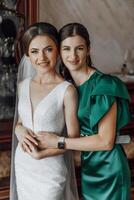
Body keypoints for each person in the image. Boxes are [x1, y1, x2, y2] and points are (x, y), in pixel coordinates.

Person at [37, 23, 131, 200]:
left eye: (79, 48)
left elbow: (105, 141)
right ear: (59, 52)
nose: (72, 56)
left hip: (109, 167)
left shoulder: (103, 85)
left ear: (88, 49)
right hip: (89, 167)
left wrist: (59, 142)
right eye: (66, 49)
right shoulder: (66, 87)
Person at [10, 22, 80, 200]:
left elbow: (74, 139)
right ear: (27, 55)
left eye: (48, 49)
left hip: (50, 170)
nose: (41, 57)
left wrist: (43, 153)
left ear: (57, 50)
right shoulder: (22, 86)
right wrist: (19, 129)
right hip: (23, 164)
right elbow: (20, 122)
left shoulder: (66, 90)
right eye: (34, 51)